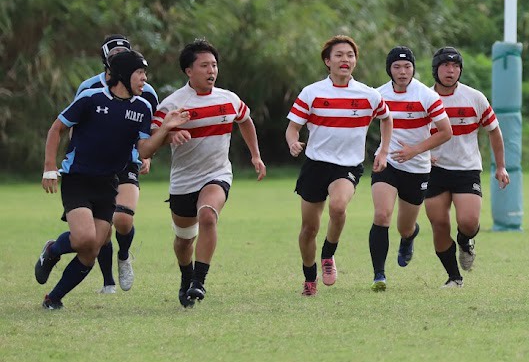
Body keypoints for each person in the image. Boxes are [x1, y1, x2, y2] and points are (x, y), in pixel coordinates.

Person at [35, 49, 189, 309]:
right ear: (124, 75)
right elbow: (57, 128)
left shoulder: (141, 107)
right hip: (78, 179)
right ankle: (52, 250)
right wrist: (50, 167)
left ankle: (54, 298)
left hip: (108, 183)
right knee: (84, 239)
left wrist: (164, 129)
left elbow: (143, 150)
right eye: (140, 73)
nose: (144, 78)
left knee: (92, 248)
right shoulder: (90, 98)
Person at [152, 39, 267, 308]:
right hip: (183, 181)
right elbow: (150, 140)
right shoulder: (173, 105)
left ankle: (199, 282)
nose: (211, 70)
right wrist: (170, 134)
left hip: (217, 174)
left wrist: (255, 155)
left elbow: (245, 120)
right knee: (183, 242)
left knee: (208, 215)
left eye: (214, 65)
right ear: (189, 71)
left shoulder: (228, 99)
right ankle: (186, 276)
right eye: (204, 65)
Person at [286, 34, 392, 296]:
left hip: (347, 166)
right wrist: (292, 142)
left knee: (338, 206)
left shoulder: (369, 95)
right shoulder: (312, 93)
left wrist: (384, 150)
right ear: (327, 61)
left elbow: (386, 119)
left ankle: (328, 254)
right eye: (339, 55)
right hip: (315, 165)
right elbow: (292, 128)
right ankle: (310, 278)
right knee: (309, 228)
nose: (345, 60)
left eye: (350, 55)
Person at [56, 35, 161, 294]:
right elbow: (74, 126)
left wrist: (146, 157)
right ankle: (108, 281)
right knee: (96, 232)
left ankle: (124, 256)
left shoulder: (145, 93)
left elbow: (151, 130)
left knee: (123, 220)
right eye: (114, 57)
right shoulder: (89, 89)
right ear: (106, 62)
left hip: (127, 161)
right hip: (92, 167)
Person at [423, 46, 509, 287]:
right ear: (435, 70)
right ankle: (454, 277)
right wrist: (423, 154)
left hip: (466, 169)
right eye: (445, 66)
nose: (450, 71)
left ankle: (465, 241)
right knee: (439, 224)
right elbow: (412, 133)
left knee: (469, 222)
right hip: (434, 170)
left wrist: (500, 166)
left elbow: (494, 131)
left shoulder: (474, 97)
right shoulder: (425, 98)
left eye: (455, 66)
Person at [369, 46, 452, 290]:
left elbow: (446, 132)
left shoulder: (426, 96)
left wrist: (415, 150)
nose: (402, 72)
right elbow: (357, 122)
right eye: (397, 67)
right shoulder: (378, 94)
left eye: (407, 67)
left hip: (417, 168)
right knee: (382, 215)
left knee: (404, 227)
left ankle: (409, 237)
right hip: (387, 163)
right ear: (389, 70)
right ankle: (379, 276)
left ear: (414, 69)